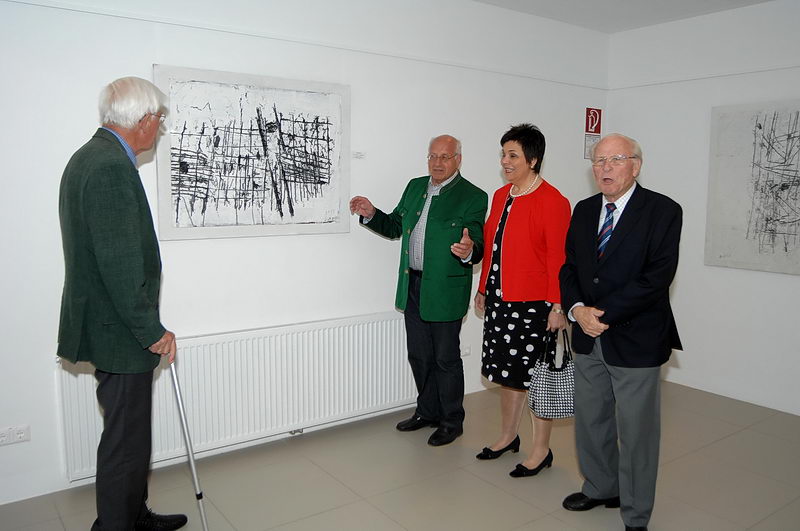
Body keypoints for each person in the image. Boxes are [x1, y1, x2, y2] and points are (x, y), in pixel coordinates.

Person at [58, 77, 187, 531]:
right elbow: (120, 263)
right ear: (144, 119)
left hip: (109, 324)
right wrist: (152, 331)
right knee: (126, 443)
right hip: (121, 330)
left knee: (129, 436)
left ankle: (134, 515)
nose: (160, 126)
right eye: (160, 118)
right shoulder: (110, 167)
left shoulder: (90, 157)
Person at [559, 133, 682, 531]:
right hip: (587, 334)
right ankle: (600, 487)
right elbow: (570, 268)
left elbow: (656, 277)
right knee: (591, 420)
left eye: (615, 160)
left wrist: (601, 314)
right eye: (598, 161)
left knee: (636, 432)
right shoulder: (583, 210)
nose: (605, 168)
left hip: (636, 337)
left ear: (636, 165)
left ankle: (636, 512)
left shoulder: (663, 211)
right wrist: (577, 310)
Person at [350, 134, 488, 446]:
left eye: (445, 157)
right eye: (432, 156)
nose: (437, 163)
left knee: (445, 358)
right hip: (413, 284)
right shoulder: (415, 187)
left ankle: (451, 421)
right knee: (419, 355)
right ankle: (427, 412)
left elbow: (477, 241)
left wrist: (469, 250)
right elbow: (395, 226)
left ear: (458, 160)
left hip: (445, 290)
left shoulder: (473, 196)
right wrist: (371, 214)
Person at [473, 124, 570, 477]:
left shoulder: (553, 201)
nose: (505, 161)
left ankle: (541, 450)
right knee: (507, 373)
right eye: (503, 154)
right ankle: (507, 436)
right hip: (502, 300)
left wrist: (558, 306)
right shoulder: (502, 195)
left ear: (533, 159)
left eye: (513, 155)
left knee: (536, 377)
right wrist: (484, 287)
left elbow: (559, 259)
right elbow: (492, 247)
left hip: (535, 306)